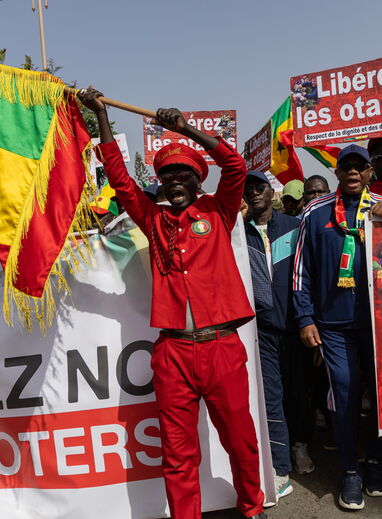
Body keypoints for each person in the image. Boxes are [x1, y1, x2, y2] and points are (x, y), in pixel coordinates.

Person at [80, 87, 266, 519]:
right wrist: (102, 115)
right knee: (178, 452)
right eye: (167, 177)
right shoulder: (153, 219)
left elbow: (235, 165)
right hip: (173, 352)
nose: (174, 182)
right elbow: (120, 180)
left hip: (222, 348)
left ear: (198, 182)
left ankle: (252, 507)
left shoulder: (219, 210)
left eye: (183, 175)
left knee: (240, 439)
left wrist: (187, 130)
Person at [293, 144, 382, 510]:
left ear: (370, 172)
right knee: (344, 394)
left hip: (381, 325)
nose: (353, 172)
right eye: (346, 167)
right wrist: (305, 317)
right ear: (337, 173)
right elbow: (301, 269)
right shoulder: (315, 211)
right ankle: (350, 469)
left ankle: (376, 461)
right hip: (333, 326)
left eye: (360, 167)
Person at [243, 170, 302, 500]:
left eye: (259, 187)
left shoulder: (295, 227)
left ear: (270, 191)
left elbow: (308, 273)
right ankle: (280, 467)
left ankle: (301, 445)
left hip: (298, 326)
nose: (254, 193)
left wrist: (309, 320)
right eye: (248, 189)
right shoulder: (239, 232)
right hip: (263, 330)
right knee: (272, 398)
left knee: (301, 395)